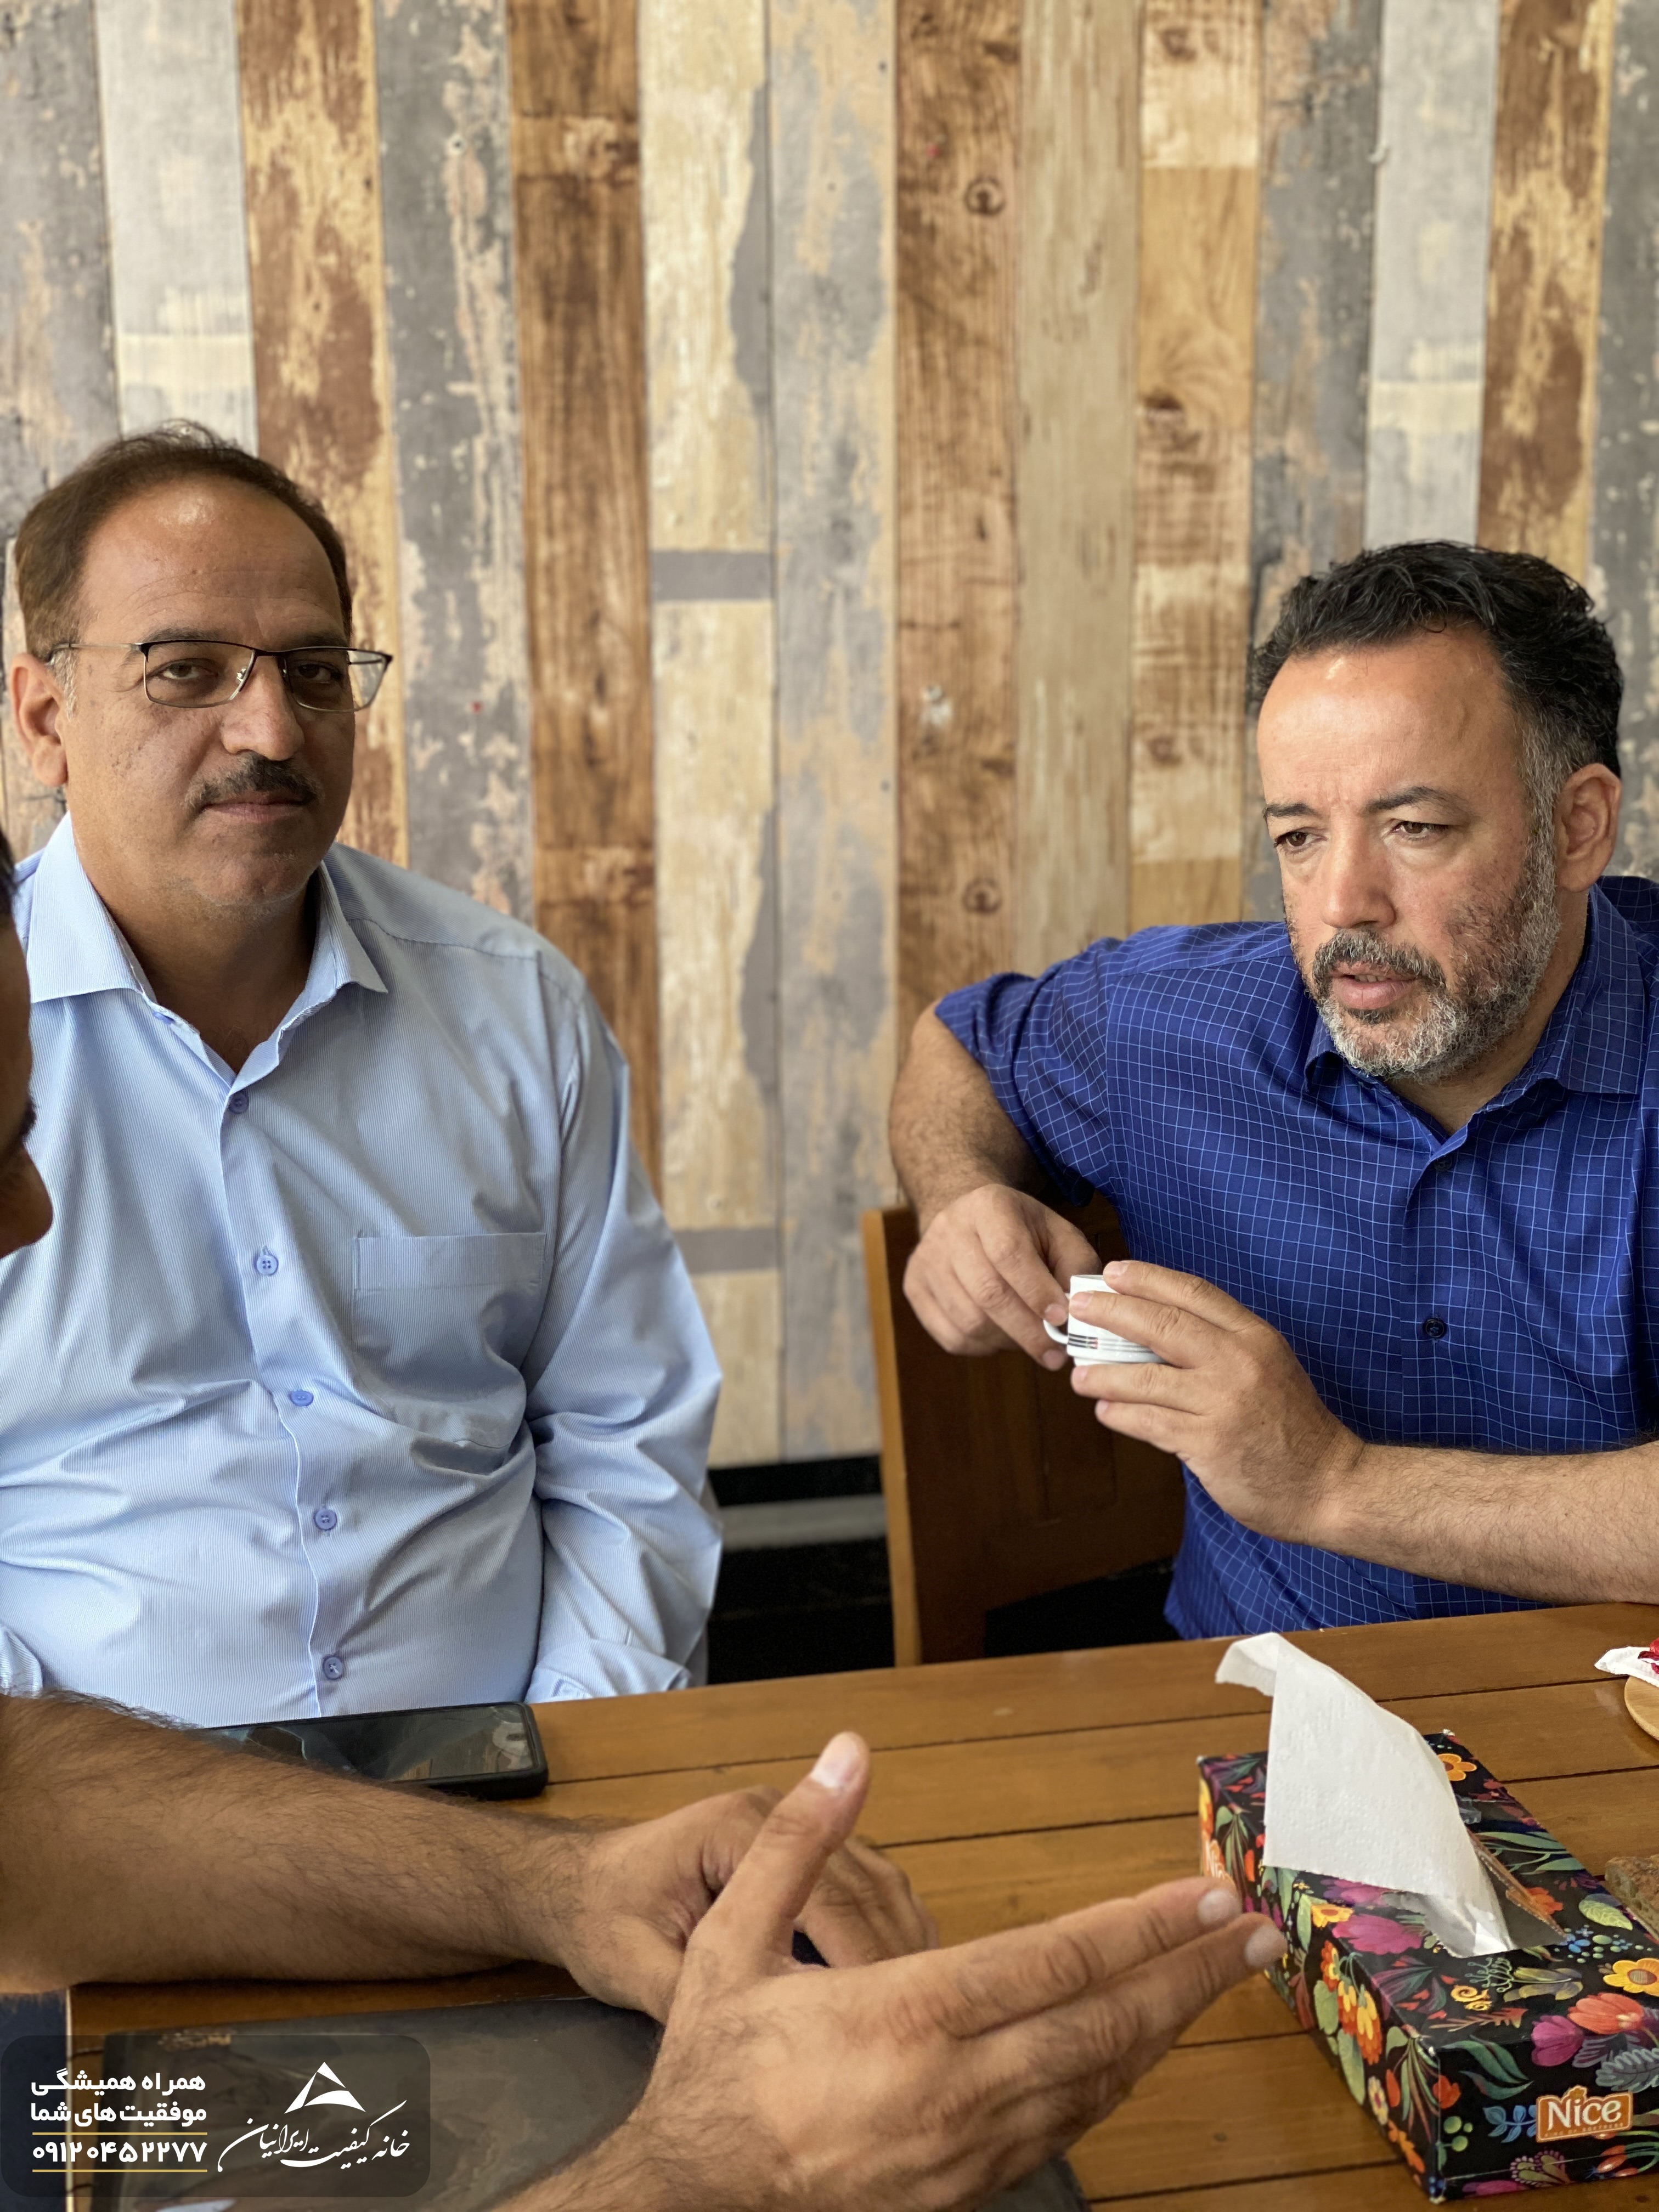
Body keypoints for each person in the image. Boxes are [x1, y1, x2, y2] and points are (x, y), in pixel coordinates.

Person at [0, 826, 1284, 2208]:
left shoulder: (503, 1000)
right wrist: (707, 2168)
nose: (38, 1207)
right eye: (5, 1141)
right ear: (44, 722)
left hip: (475, 1845)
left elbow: (35, 1813)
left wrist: (563, 1884)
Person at [0, 424, 719, 1723]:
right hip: (90, 1820)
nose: (271, 728)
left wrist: (581, 1752)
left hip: (517, 1791)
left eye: (316, 672)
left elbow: (629, 1443)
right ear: (46, 719)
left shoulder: (512, 1009)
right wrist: (80, 1801)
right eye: (186, 670)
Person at [893, 540, 1659, 1637]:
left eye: (1414, 828)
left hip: (1609, 1720)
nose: (1343, 901)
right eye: (1299, 836)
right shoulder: (1171, 1022)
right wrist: (959, 1194)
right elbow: (957, 1048)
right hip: (1249, 1706)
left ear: (1578, 826)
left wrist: (1332, 1484)